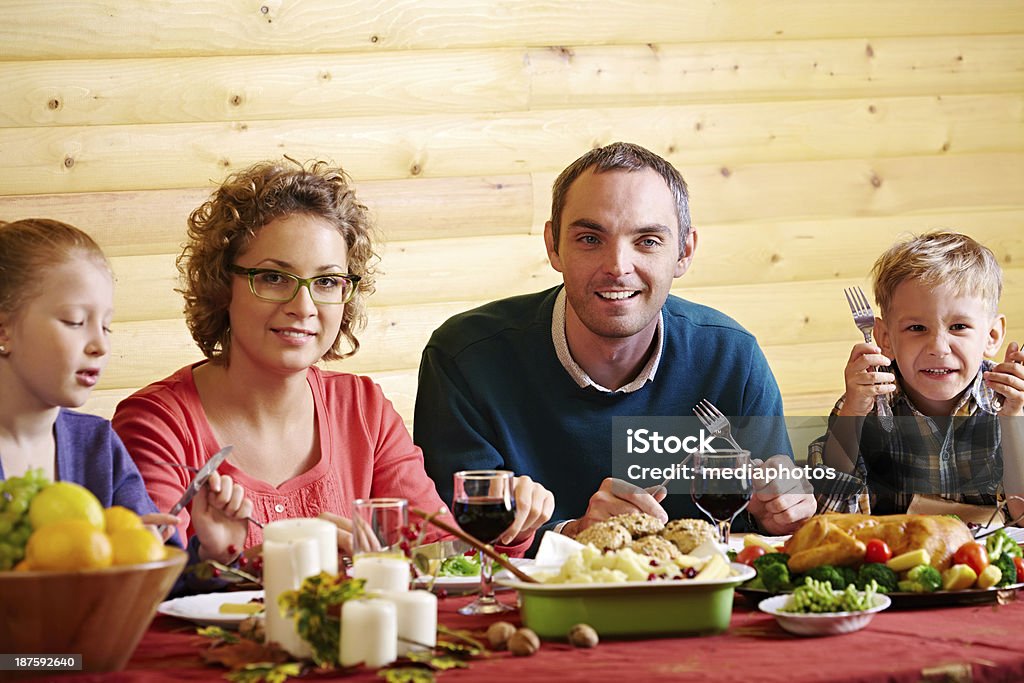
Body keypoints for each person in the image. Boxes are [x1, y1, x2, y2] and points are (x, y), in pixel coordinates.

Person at [112, 159, 553, 556]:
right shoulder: (158, 423)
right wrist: (240, 560)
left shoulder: (365, 410)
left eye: (326, 283)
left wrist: (509, 530)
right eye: (273, 277)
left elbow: (438, 554)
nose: (303, 306)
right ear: (222, 284)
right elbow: (148, 580)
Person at [414, 142, 816, 539]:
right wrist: (574, 535)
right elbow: (455, 538)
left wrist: (779, 514)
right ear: (554, 246)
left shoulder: (731, 356)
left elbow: (764, 523)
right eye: (591, 238)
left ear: (684, 252)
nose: (617, 267)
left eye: (648, 241)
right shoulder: (464, 357)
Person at [0, 218, 248, 566]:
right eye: (75, 321)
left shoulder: (99, 446)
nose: (100, 345)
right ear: (4, 329)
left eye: (105, 325)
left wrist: (212, 552)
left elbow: (151, 575)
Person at [810, 231, 1024, 521]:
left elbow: (1021, 516)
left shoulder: (1011, 401)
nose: (938, 348)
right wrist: (853, 413)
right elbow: (828, 511)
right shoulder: (865, 402)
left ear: (992, 335)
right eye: (916, 328)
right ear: (885, 337)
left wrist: (1013, 419)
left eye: (959, 326)